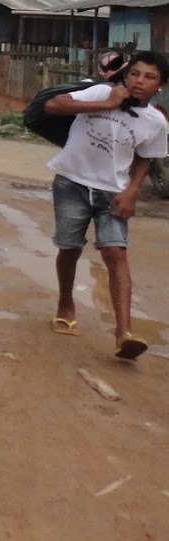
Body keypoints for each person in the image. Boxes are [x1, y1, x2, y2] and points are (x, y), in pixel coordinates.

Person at [41, 51, 169, 360]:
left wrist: (133, 191)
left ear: (160, 86)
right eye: (135, 73)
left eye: (149, 77)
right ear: (127, 75)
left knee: (115, 252)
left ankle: (123, 332)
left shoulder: (155, 121)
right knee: (69, 248)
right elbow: (53, 105)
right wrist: (108, 103)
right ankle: (65, 304)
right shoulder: (101, 91)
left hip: (113, 191)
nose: (139, 80)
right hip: (71, 183)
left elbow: (145, 157)